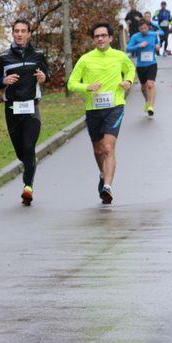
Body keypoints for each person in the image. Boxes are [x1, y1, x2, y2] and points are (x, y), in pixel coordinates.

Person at [67, 22, 135, 205]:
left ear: (110, 38)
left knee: (108, 147)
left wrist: (128, 81)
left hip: (115, 107)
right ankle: (103, 174)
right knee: (98, 150)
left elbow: (130, 69)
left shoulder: (120, 56)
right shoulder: (85, 59)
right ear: (93, 40)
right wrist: (86, 87)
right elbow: (71, 83)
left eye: (103, 35)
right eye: (96, 36)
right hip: (93, 110)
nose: (100, 38)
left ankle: (107, 187)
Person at [0, 19, 50, 206]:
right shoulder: (4, 57)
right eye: (16, 31)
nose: (19, 34)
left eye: (23, 31)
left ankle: (28, 187)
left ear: (29, 34)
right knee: (21, 152)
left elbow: (47, 75)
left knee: (28, 146)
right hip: (12, 109)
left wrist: (44, 77)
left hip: (32, 108)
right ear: (13, 33)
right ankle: (30, 162)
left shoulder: (38, 55)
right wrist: (4, 81)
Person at [126, 19, 160, 116]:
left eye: (145, 28)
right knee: (144, 87)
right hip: (141, 66)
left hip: (152, 63)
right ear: (139, 28)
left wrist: (158, 46)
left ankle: (151, 107)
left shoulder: (153, 35)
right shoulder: (135, 37)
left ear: (148, 27)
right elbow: (128, 48)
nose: (144, 30)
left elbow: (157, 42)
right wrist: (138, 45)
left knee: (150, 84)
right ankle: (147, 100)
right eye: (141, 28)